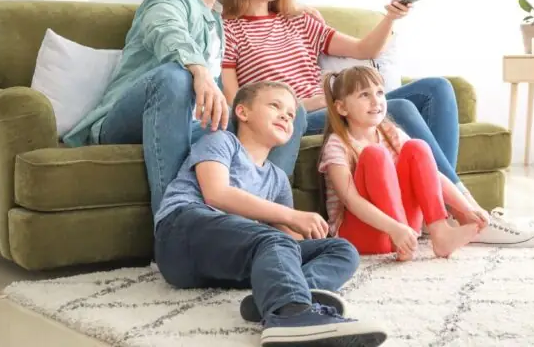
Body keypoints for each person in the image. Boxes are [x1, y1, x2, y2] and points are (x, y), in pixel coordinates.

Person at [63, 0, 318, 215]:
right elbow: (165, 28)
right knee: (176, 78)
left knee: (292, 114)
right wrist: (199, 71)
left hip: (195, 123)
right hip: (129, 119)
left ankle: (264, 221)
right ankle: (174, 224)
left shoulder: (216, 21)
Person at [218, 0, 480, 210]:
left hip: (331, 106)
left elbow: (363, 49)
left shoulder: (299, 20)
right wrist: (308, 104)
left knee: (436, 88)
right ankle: (464, 208)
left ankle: (449, 202)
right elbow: (238, 102)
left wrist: (389, 18)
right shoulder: (228, 30)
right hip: (298, 116)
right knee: (398, 108)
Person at [154, 81, 388, 346]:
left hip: (227, 263)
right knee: (272, 240)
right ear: (243, 112)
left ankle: (280, 297)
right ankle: (292, 316)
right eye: (275, 106)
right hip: (181, 236)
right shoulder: (221, 142)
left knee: (342, 249)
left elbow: (288, 243)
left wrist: (307, 237)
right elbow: (216, 194)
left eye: (290, 114)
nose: (285, 116)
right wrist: (292, 216)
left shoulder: (276, 178)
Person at [318, 66, 487, 260]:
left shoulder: (390, 132)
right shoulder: (337, 144)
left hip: (405, 231)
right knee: (375, 155)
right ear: (342, 107)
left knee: (418, 147)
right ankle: (401, 237)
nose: (376, 101)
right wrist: (395, 228)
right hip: (365, 234)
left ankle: (440, 233)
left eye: (380, 92)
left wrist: (467, 208)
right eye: (364, 95)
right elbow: (351, 201)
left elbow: (432, 176)